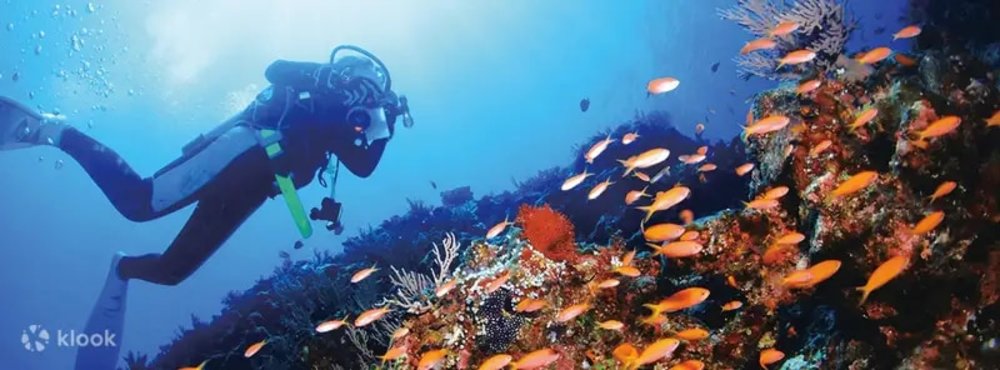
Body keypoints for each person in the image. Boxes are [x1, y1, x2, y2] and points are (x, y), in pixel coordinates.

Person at [0, 45, 412, 369]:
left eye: (374, 87)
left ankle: (122, 268)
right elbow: (275, 69)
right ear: (346, 69)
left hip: (259, 188)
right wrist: (328, 75)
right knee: (139, 202)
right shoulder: (321, 85)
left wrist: (386, 127)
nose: (364, 88)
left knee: (172, 272)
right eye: (362, 77)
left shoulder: (361, 122)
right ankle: (55, 130)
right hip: (242, 149)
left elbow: (361, 169)